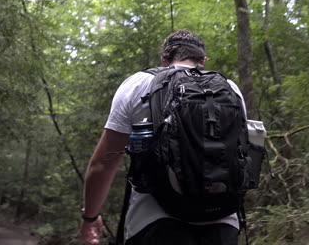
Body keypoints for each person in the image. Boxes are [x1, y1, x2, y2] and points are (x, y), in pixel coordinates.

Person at [80, 29, 245, 245]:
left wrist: (89, 217)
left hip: (154, 223)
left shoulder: (138, 84)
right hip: (223, 222)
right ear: (203, 60)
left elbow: (104, 163)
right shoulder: (231, 89)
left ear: (164, 59)